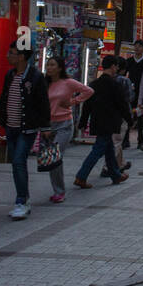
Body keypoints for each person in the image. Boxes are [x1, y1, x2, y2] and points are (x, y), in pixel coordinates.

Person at [0, 45, 51, 219]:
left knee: (18, 161)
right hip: (11, 127)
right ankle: (23, 197)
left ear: (22, 57)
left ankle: (21, 201)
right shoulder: (10, 75)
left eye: (12, 53)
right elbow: (4, 99)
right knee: (17, 163)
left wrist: (45, 127)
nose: (8, 56)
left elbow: (43, 103)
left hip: (27, 128)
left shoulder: (36, 77)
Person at [73, 56, 131, 189]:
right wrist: (129, 119)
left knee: (109, 149)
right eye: (116, 66)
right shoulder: (115, 84)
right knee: (98, 150)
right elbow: (122, 105)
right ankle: (81, 176)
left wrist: (82, 122)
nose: (117, 69)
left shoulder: (94, 84)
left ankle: (115, 175)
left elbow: (87, 105)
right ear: (112, 66)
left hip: (97, 120)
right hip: (110, 122)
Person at [42, 55, 93, 203]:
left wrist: (74, 101)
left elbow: (88, 90)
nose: (49, 68)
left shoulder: (68, 83)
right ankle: (57, 189)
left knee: (55, 156)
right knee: (51, 159)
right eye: (48, 65)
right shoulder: (44, 84)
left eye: (52, 65)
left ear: (60, 68)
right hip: (47, 126)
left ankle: (60, 191)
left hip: (64, 124)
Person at [124, 40, 143, 151]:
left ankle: (141, 141)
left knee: (141, 118)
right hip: (130, 93)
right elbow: (123, 73)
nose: (137, 48)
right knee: (127, 116)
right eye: (135, 46)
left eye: (140, 46)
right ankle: (125, 140)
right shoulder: (129, 61)